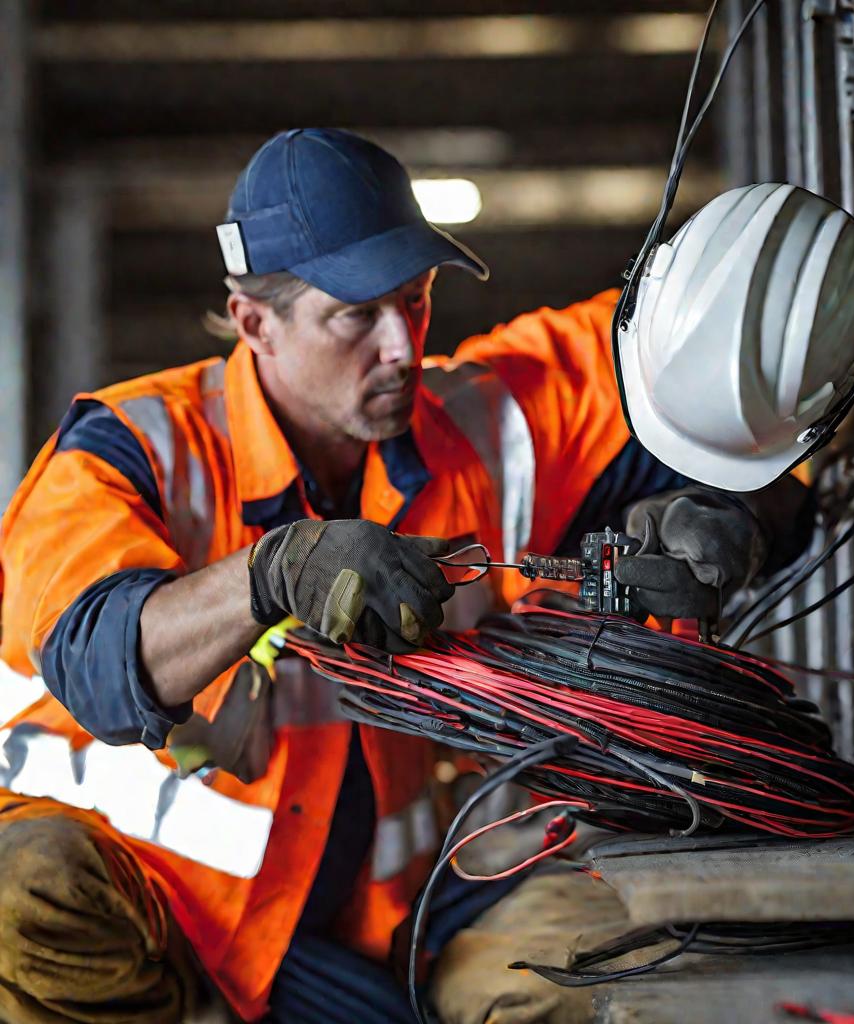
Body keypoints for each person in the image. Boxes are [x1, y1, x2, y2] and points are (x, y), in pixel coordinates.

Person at [0, 128, 807, 1024]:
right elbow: (98, 662)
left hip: (409, 914)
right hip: (161, 919)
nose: (401, 346)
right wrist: (275, 571)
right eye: (355, 313)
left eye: (415, 300)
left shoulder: (481, 423)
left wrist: (733, 512)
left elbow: (717, 356)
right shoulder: (132, 450)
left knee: (592, 986)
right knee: (22, 893)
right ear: (254, 322)